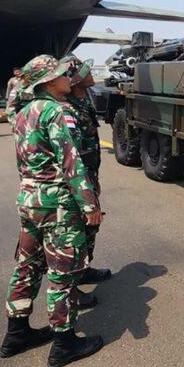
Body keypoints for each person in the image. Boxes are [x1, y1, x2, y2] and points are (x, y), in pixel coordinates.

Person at [0, 54, 104, 367]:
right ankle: (64, 343)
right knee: (63, 276)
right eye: (61, 74)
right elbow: (70, 162)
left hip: (29, 200)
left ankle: (16, 333)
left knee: (27, 266)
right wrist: (89, 205)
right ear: (48, 81)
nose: (67, 78)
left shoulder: (22, 112)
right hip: (58, 204)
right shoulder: (55, 112)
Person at [62, 56, 112, 284]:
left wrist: (95, 178)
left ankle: (83, 270)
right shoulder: (67, 109)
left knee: (91, 228)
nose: (90, 74)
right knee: (76, 233)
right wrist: (84, 191)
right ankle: (71, 286)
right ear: (76, 80)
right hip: (76, 182)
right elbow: (71, 157)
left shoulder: (83, 102)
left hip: (89, 176)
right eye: (85, 72)